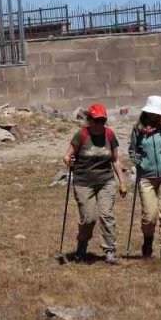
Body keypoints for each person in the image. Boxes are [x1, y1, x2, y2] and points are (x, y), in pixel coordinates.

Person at [61, 103, 128, 264]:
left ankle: (110, 249)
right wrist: (68, 161)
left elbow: (116, 160)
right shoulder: (81, 135)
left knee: (107, 215)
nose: (99, 124)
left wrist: (122, 182)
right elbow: (67, 155)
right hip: (84, 182)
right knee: (88, 218)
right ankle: (82, 244)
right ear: (89, 120)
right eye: (96, 120)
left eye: (102, 121)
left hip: (105, 181)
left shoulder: (109, 135)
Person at [130, 95, 161, 262]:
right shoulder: (138, 129)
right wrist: (138, 161)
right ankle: (148, 240)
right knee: (149, 216)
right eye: (153, 113)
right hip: (146, 177)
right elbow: (132, 149)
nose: (156, 116)